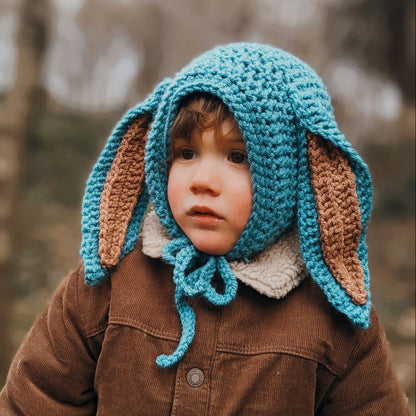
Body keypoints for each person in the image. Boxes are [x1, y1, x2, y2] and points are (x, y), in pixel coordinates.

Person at [0, 42, 410, 415]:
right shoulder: (108, 283)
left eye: (237, 157)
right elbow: (34, 399)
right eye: (186, 153)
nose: (203, 180)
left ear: (290, 175)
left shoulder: (333, 314)